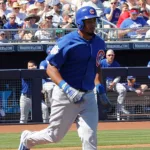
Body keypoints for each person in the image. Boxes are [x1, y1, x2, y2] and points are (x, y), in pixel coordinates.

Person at [18, 6, 111, 150]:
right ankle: (27, 140)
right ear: (80, 23)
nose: (93, 24)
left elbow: (96, 65)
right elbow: (50, 68)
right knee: (54, 135)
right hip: (65, 94)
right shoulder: (67, 41)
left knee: (90, 137)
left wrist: (99, 86)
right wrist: (67, 89)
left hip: (88, 96)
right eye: (89, 21)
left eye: (94, 20)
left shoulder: (99, 42)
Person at [100, 49, 130, 121]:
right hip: (102, 83)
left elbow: (118, 76)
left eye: (112, 55)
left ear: (114, 56)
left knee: (122, 89)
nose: (111, 56)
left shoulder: (116, 64)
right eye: (109, 55)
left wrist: (113, 83)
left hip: (113, 83)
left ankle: (119, 112)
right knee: (96, 92)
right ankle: (100, 113)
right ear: (106, 56)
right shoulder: (101, 62)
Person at [39, 46, 55, 123]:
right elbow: (42, 73)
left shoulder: (58, 62)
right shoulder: (44, 62)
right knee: (50, 87)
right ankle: (50, 104)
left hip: (56, 83)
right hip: (47, 83)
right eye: (49, 53)